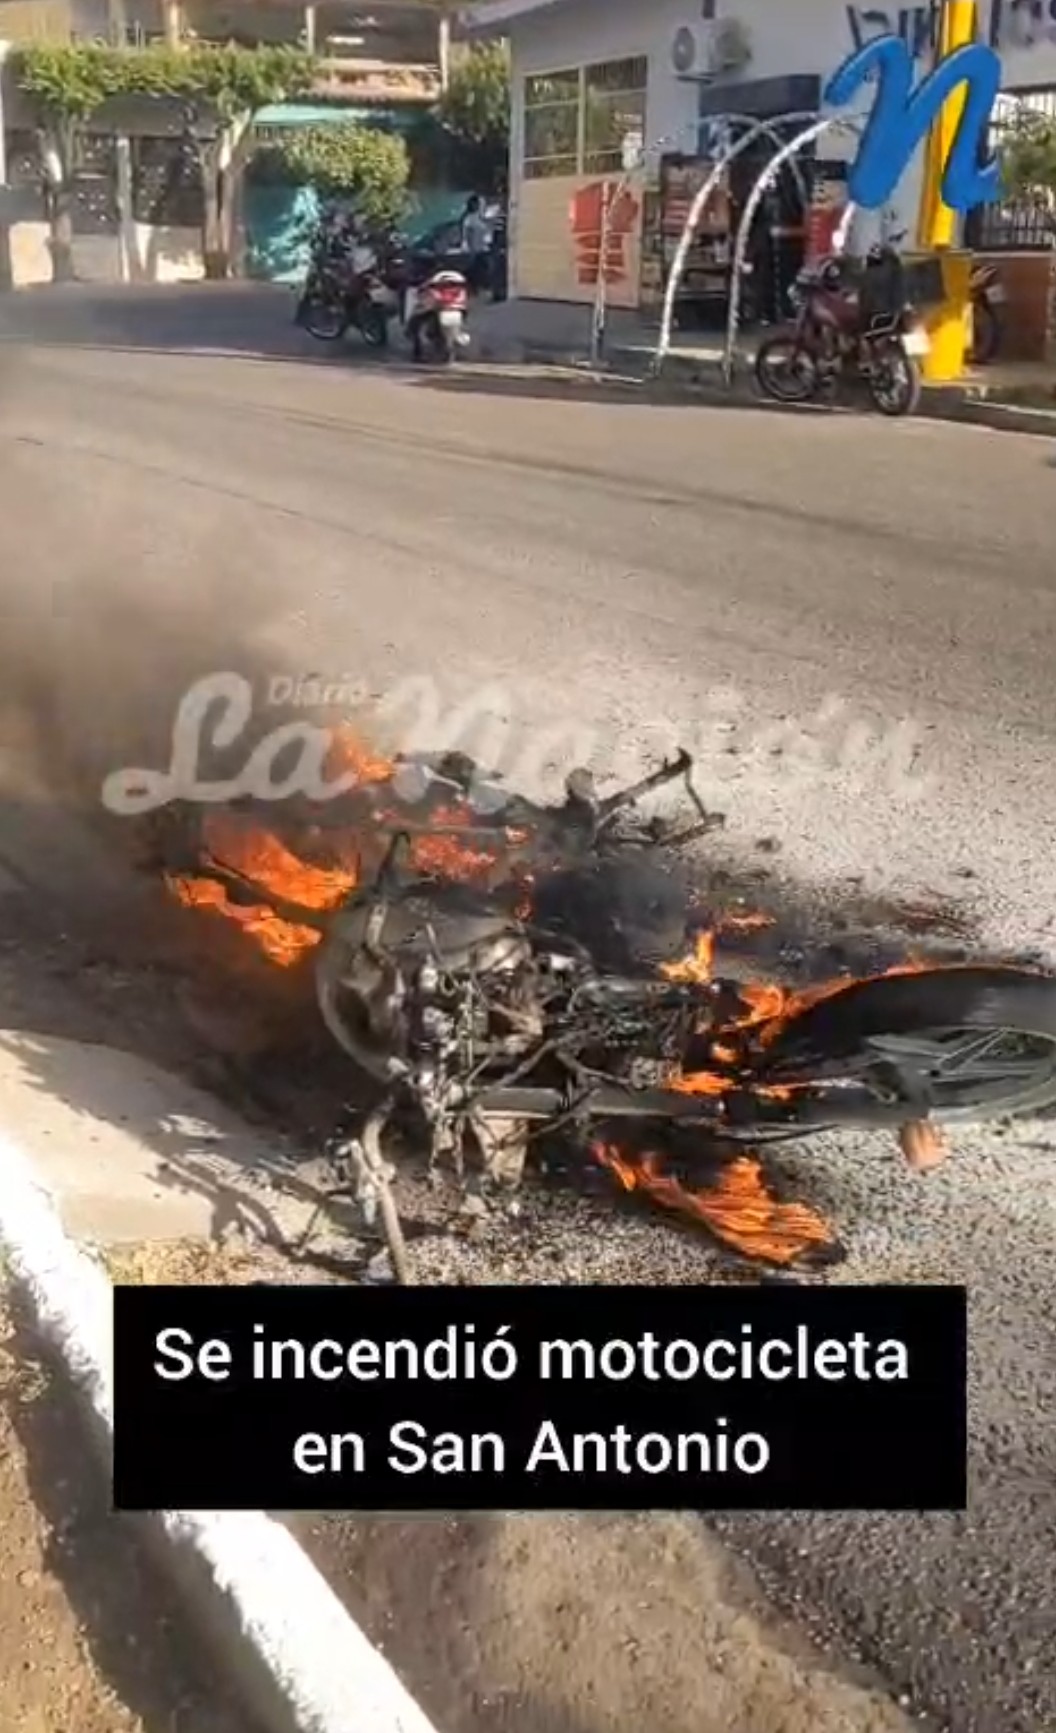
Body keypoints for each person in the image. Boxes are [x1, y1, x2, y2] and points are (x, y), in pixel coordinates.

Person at [460, 194, 492, 295]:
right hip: (475, 250)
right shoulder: (469, 219)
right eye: (481, 204)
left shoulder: (483, 218)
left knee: (484, 268)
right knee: (476, 269)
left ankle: (481, 288)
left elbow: (487, 232)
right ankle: (474, 288)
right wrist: (465, 244)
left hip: (484, 249)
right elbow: (465, 235)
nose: (483, 206)